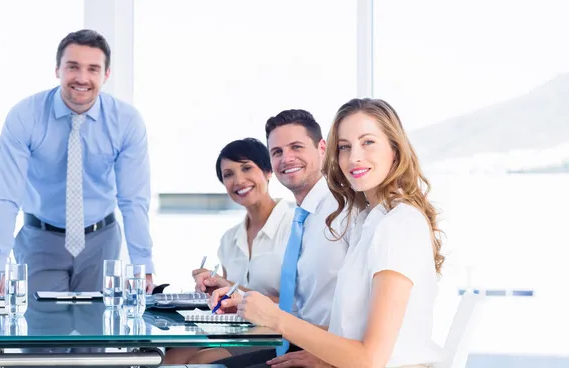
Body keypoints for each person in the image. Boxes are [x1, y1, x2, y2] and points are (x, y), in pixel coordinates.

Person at [214, 98, 446, 367]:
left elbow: (370, 359)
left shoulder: (397, 225)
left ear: (395, 148)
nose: (354, 157)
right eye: (345, 147)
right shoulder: (371, 219)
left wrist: (277, 319)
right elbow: (354, 332)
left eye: (368, 142)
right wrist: (324, 356)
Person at [0, 29, 155, 295]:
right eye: (73, 67)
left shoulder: (126, 121)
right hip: (40, 239)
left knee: (101, 332)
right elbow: (6, 197)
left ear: (106, 74)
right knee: (40, 334)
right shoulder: (24, 116)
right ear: (57, 69)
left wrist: (142, 265)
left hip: (102, 243)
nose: (82, 78)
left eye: (93, 69)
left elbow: (133, 200)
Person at [208, 109, 352, 366]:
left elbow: (366, 303)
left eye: (296, 147)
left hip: (326, 348)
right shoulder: (305, 217)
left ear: (322, 148)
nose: (287, 158)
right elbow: (297, 302)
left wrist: (328, 357)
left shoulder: (343, 212)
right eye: (277, 152)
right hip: (295, 341)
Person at [163, 138, 294, 364]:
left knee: (199, 362)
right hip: (238, 329)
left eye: (246, 168)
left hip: (278, 332)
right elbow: (231, 300)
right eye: (228, 174)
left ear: (268, 171)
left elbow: (298, 305)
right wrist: (216, 291)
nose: (238, 180)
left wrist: (231, 288)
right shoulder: (229, 239)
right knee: (169, 357)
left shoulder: (293, 227)